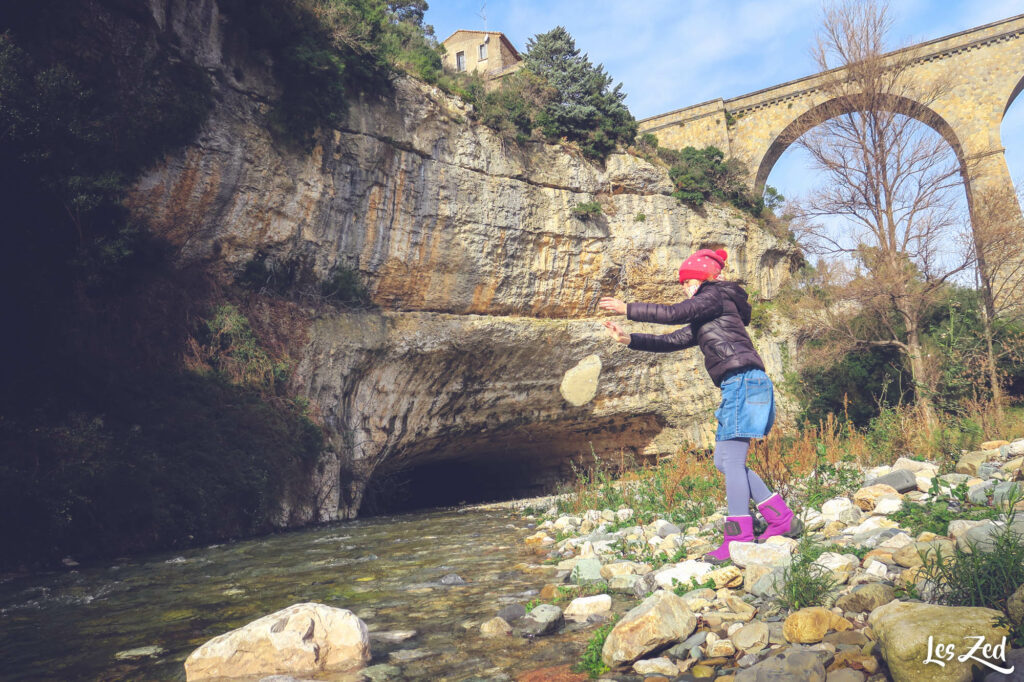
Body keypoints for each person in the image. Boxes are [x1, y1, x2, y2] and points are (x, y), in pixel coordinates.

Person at [598, 248, 803, 564]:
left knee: (731, 461)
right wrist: (630, 340)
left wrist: (627, 308)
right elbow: (672, 340)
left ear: (703, 277)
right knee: (725, 460)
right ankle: (781, 519)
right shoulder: (711, 311)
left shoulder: (714, 294)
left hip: (742, 382)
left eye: (687, 281)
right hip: (742, 383)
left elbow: (674, 314)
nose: (684, 288)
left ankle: (738, 536)